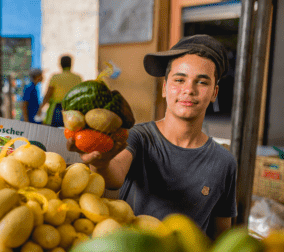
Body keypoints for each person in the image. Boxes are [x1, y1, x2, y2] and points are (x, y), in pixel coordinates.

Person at [67, 35, 237, 239]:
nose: (189, 90)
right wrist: (102, 163)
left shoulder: (224, 162)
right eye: (179, 80)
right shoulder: (141, 137)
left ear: (214, 93)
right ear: (165, 87)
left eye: (201, 82)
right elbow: (115, 175)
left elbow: (222, 235)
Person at [38, 55, 82, 127]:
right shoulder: (78, 78)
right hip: (74, 110)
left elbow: (48, 95)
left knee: (55, 133)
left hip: (58, 110)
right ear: (71, 64)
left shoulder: (55, 77)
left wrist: (40, 109)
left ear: (60, 65)